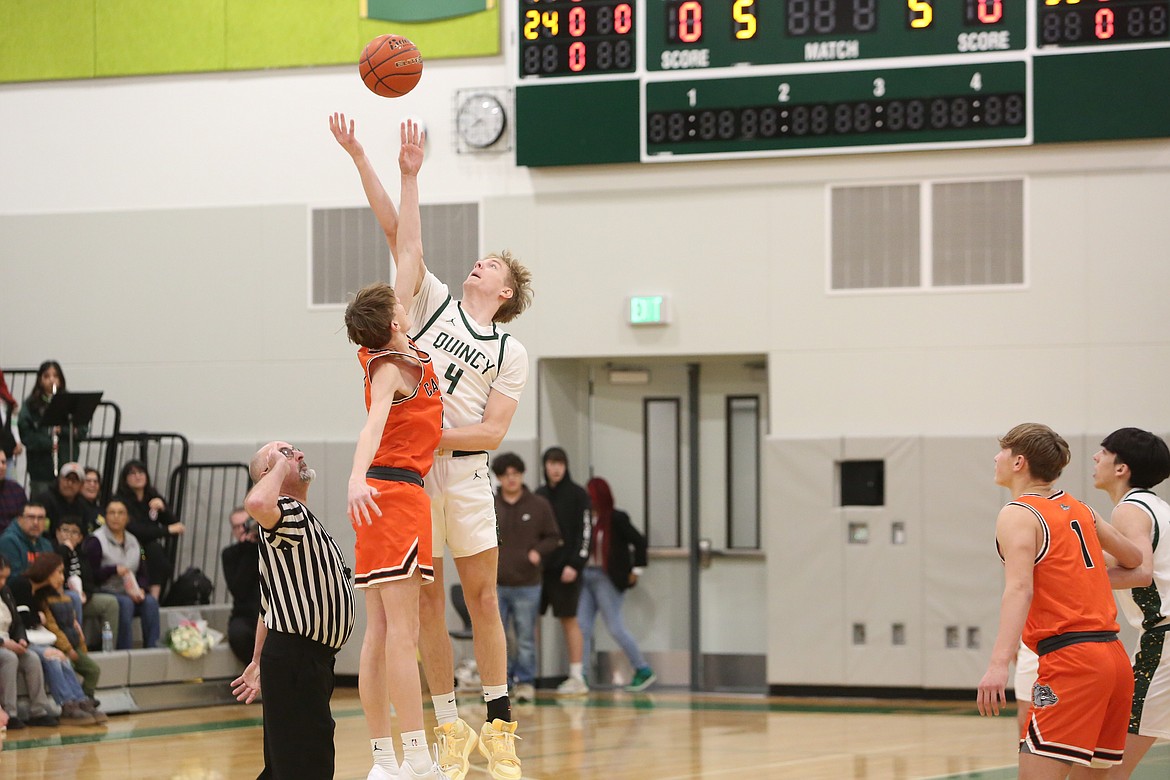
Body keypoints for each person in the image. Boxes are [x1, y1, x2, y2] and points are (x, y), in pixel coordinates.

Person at [333, 112, 533, 780]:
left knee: (481, 600)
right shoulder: (434, 307)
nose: (482, 262)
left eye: (494, 265)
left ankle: (499, 725)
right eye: (482, 258)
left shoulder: (510, 349)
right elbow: (402, 236)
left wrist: (425, 430)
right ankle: (448, 727)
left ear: (504, 293)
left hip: (462, 474)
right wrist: (390, 168)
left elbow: (492, 433)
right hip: (413, 479)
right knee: (420, 607)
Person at [343, 119, 448, 780]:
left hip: (392, 495)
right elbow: (374, 422)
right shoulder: (390, 364)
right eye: (400, 304)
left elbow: (406, 240)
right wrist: (357, 475)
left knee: (381, 635)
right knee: (400, 636)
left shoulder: (399, 347)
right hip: (392, 491)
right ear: (392, 320)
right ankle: (415, 758)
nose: (407, 297)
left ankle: (385, 760)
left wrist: (398, 171)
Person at [977, 422, 1144, 778]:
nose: (996, 457)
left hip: (1072, 662)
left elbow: (1020, 589)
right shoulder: (1081, 509)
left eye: (1002, 451)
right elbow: (1133, 558)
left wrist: (997, 664)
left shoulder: (1018, 513)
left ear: (1019, 462)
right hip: (1114, 660)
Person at [230, 441, 356, 780]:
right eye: (286, 453)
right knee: (305, 766)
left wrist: (256, 660)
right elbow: (256, 501)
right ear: (269, 474)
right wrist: (279, 468)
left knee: (287, 766)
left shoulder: (293, 519)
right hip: (297, 660)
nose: (298, 455)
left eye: (295, 450)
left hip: (301, 662)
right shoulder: (285, 510)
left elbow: (269, 605)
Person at [1091, 427, 1170, 779]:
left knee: (1109, 767)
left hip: (1164, 637)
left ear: (1122, 468)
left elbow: (1140, 572)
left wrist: (1075, 581)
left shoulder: (1130, 509)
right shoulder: (1158, 507)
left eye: (1103, 452)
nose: (1095, 458)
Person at [491, 453, 561, 704]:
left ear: (522, 475)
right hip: (495, 583)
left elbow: (554, 537)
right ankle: (501, 684)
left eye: (516, 474)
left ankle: (526, 682)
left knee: (525, 637)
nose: (511, 479)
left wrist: (537, 552)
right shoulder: (490, 503)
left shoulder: (538, 505)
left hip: (528, 584)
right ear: (499, 478)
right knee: (497, 637)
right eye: (506, 475)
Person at [579, 477, 656, 692]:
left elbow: (639, 540)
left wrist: (636, 569)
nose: (589, 499)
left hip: (607, 578)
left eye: (592, 495)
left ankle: (643, 669)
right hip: (585, 576)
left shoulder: (616, 518)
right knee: (582, 627)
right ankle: (581, 674)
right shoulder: (584, 519)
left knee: (615, 626)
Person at [535, 447, 593, 695]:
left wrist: (575, 565)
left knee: (569, 619)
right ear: (545, 466)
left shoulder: (579, 495)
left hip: (567, 569)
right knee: (528, 620)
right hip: (539, 570)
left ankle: (577, 675)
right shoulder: (538, 495)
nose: (555, 468)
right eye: (551, 463)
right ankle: (525, 675)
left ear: (566, 466)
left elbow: (585, 533)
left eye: (560, 463)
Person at [25, 552, 104, 707]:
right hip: (46, 641)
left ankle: (83, 699)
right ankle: (68, 704)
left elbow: (70, 622)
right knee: (59, 659)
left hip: (62, 641)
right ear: (46, 570)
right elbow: (50, 626)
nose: (62, 578)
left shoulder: (56, 595)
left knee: (91, 668)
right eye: (59, 572)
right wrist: (67, 648)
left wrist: (79, 643)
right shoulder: (28, 590)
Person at [83, 499, 160, 649]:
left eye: (120, 513)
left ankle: (152, 648)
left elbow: (143, 571)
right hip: (105, 590)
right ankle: (124, 650)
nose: (116, 517)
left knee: (150, 602)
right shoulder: (96, 541)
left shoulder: (134, 541)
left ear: (127, 518)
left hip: (130, 590)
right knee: (125, 604)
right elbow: (90, 574)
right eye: (112, 513)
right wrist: (112, 570)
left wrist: (142, 588)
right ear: (105, 517)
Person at [0, 554, 59, 729]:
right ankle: (10, 713)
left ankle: (38, 711)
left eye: (5, 577)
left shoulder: (6, 592)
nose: (3, 582)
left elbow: (17, 622)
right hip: (2, 644)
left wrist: (21, 640)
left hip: (10, 640)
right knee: (9, 658)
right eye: (0, 577)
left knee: (32, 657)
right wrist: (3, 643)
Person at [113, 460, 184, 600]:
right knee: (153, 549)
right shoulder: (121, 501)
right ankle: (150, 597)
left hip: (149, 547)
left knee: (155, 550)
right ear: (125, 479)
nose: (138, 476)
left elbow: (177, 525)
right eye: (132, 473)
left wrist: (163, 509)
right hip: (128, 544)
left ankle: (154, 597)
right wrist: (166, 530)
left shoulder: (152, 496)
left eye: (141, 472)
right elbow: (137, 530)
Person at [17, 360, 87, 499]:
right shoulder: (31, 404)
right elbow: (26, 434)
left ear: (61, 379)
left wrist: (64, 431)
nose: (51, 380)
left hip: (66, 463)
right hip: (41, 469)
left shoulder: (70, 401)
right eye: (47, 376)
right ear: (40, 380)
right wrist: (49, 443)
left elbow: (82, 431)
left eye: (55, 376)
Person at [54, 515, 119, 652]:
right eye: (65, 530)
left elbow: (90, 582)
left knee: (111, 603)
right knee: (74, 597)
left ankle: (109, 648)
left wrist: (86, 594)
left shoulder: (82, 555)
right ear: (57, 533)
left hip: (82, 597)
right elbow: (54, 576)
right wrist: (65, 550)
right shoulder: (53, 551)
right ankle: (77, 647)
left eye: (74, 532)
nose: (69, 535)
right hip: (61, 596)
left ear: (80, 537)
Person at [221, 506, 260, 665]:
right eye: (236, 527)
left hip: (270, 613)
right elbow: (238, 590)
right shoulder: (230, 554)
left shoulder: (268, 548)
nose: (241, 529)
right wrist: (248, 549)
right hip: (244, 614)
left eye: (245, 524)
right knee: (238, 635)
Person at [36, 461, 100, 538]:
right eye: (67, 479)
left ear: (81, 485)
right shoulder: (44, 500)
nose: (69, 484)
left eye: (74, 481)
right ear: (60, 479)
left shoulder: (83, 506)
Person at [0, 502, 53, 579]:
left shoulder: (46, 544)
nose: (36, 523)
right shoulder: (8, 541)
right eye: (31, 517)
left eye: (40, 518)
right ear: (19, 519)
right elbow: (14, 579)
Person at [0, 449, 28, 533]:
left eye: (3, 462)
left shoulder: (17, 490)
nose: (1, 466)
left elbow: (26, 519)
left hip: (16, 539)